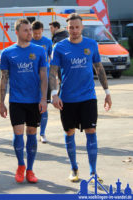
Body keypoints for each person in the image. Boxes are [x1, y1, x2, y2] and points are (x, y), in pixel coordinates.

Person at [49, 13, 112, 183]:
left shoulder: (91, 44)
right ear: (67, 28)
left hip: (88, 98)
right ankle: (74, 168)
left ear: (82, 27)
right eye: (71, 27)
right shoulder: (59, 47)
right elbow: (53, 72)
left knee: (91, 132)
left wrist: (107, 92)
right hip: (67, 99)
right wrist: (54, 94)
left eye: (77, 27)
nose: (74, 30)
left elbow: (99, 69)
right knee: (69, 132)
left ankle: (93, 172)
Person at [0, 18, 48, 183]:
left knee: (32, 133)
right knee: (18, 132)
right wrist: (1, 102)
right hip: (17, 100)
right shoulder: (7, 53)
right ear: (17, 32)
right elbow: (4, 79)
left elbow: (43, 76)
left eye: (30, 30)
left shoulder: (39, 51)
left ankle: (30, 169)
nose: (30, 33)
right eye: (26, 30)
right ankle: (21, 165)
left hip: (34, 101)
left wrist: (43, 99)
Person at [30, 21, 52, 144]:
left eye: (39, 33)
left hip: (45, 79)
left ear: (42, 30)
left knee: (44, 107)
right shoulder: (29, 42)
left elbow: (52, 59)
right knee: (32, 107)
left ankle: (42, 133)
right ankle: (31, 130)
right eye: (35, 33)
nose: (37, 35)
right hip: (32, 80)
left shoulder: (48, 42)